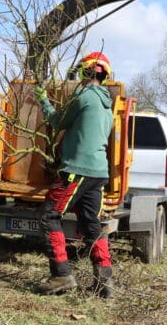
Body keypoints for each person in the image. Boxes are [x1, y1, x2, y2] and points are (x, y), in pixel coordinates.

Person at [32, 52, 114, 298]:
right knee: (92, 224)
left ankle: (61, 275)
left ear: (83, 72)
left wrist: (43, 100)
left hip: (77, 171)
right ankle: (104, 282)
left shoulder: (83, 95)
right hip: (99, 172)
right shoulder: (107, 104)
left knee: (49, 215)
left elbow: (57, 122)